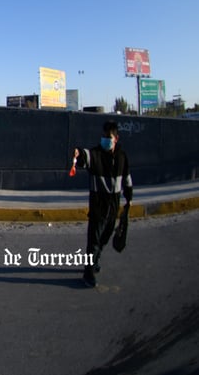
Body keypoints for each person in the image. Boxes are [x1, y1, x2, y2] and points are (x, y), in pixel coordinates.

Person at [72, 120, 133, 288]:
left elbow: (127, 177)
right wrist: (77, 153)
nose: (105, 140)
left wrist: (129, 197)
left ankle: (95, 259)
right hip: (98, 207)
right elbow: (85, 156)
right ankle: (88, 272)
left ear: (116, 138)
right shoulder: (96, 154)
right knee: (93, 241)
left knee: (104, 238)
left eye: (109, 137)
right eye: (104, 137)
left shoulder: (121, 157)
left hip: (113, 208)